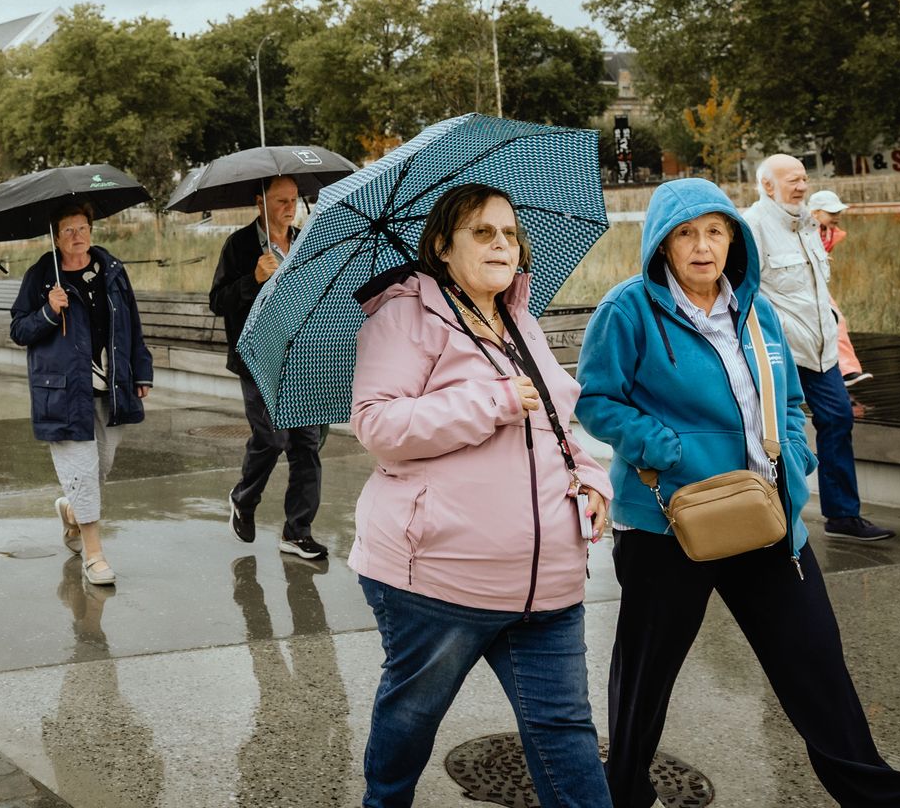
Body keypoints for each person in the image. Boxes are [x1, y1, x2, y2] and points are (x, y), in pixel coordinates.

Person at [576, 178, 900, 808]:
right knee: (644, 684)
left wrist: (793, 459)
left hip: (767, 521)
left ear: (733, 238)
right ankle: (622, 793)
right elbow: (597, 401)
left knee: (820, 672)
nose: (701, 247)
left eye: (715, 231)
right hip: (669, 527)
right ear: (662, 244)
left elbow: (793, 399)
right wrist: (666, 448)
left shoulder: (756, 308)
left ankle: (889, 801)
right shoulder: (627, 308)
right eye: (686, 234)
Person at [348, 183, 612, 808]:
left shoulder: (518, 318)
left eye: (510, 233)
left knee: (565, 732)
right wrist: (489, 401)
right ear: (442, 245)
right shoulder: (403, 317)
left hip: (546, 581)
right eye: (483, 232)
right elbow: (379, 427)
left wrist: (592, 477)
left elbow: (554, 421)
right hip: (439, 580)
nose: (502, 243)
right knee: (411, 719)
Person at [746, 155, 892, 542]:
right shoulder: (753, 227)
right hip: (780, 354)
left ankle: (843, 515)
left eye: (804, 178)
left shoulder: (808, 223)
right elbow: (744, 294)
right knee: (773, 435)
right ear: (767, 185)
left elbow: (817, 288)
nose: (802, 186)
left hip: (821, 350)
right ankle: (770, 516)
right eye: (792, 180)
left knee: (839, 417)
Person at [9, 201, 154, 587]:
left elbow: (132, 326)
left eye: (82, 228)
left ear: (92, 230)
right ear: (56, 237)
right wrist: (47, 311)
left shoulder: (112, 271)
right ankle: (94, 555)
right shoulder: (42, 276)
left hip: (113, 387)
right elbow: (19, 330)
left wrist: (142, 370)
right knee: (83, 473)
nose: (77, 236)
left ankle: (72, 511)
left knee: (99, 469)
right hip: (62, 391)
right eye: (68, 230)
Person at [212, 175, 328, 561]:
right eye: (280, 200)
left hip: (301, 357)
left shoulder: (305, 240)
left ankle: (297, 532)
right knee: (272, 437)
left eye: (293, 199)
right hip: (257, 357)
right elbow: (218, 301)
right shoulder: (240, 245)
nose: (289, 207)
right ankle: (244, 499)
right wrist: (253, 280)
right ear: (259, 203)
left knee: (306, 445)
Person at [807, 189, 872, 388]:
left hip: (816, 287)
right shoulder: (803, 232)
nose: (837, 216)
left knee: (836, 321)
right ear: (815, 213)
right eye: (831, 212)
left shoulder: (828, 233)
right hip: (797, 288)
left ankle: (847, 370)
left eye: (838, 212)